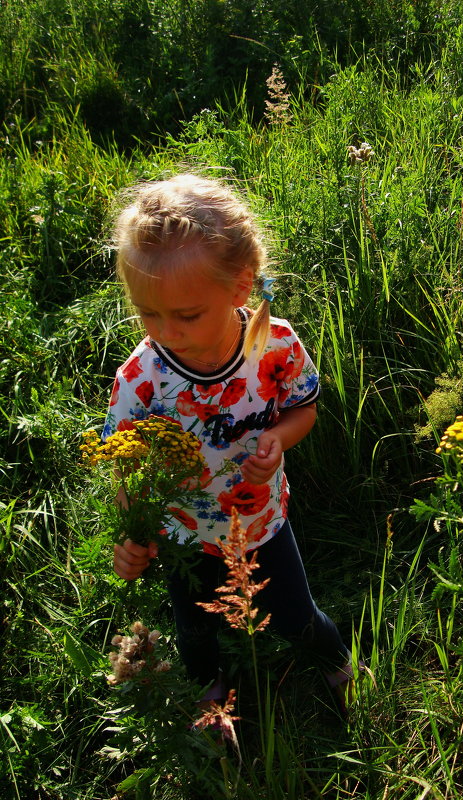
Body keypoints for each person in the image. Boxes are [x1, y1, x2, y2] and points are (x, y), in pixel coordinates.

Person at [105, 173, 354, 711]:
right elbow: (123, 468)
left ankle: (337, 666)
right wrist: (134, 535)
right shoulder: (141, 381)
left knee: (295, 613)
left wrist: (278, 440)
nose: (165, 331)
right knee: (194, 630)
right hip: (183, 538)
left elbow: (303, 407)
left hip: (262, 521)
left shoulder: (274, 344)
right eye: (148, 313)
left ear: (239, 287)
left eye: (186, 315)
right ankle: (211, 701)